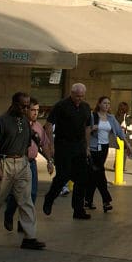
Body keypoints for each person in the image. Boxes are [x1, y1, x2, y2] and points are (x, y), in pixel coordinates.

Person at [0, 92, 46, 250]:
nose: (25, 109)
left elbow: (31, 142)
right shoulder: (2, 121)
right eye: (23, 106)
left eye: (28, 106)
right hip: (5, 162)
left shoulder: (24, 121)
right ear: (14, 104)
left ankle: (30, 237)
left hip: (22, 163)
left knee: (26, 201)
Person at [43, 83, 93, 220]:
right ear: (71, 93)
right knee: (63, 176)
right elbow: (48, 125)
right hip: (63, 145)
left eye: (82, 96)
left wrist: (87, 147)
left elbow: (87, 128)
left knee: (82, 179)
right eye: (77, 96)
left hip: (79, 146)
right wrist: (51, 145)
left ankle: (78, 210)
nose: (79, 99)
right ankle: (50, 198)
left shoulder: (85, 107)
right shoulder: (61, 106)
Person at [4, 98, 53, 233]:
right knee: (17, 194)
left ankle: (23, 223)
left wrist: (49, 161)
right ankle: (9, 213)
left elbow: (44, 144)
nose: (35, 113)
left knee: (32, 193)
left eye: (38, 110)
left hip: (31, 163)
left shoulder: (38, 126)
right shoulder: (18, 124)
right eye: (33, 110)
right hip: (19, 162)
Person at [85, 96, 132, 212]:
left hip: (104, 147)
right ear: (99, 104)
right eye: (104, 103)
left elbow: (119, 132)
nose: (107, 105)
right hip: (93, 148)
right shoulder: (93, 116)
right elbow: (86, 130)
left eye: (108, 103)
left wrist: (128, 145)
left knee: (94, 174)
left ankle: (88, 200)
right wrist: (93, 129)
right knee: (100, 172)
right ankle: (106, 200)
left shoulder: (111, 118)